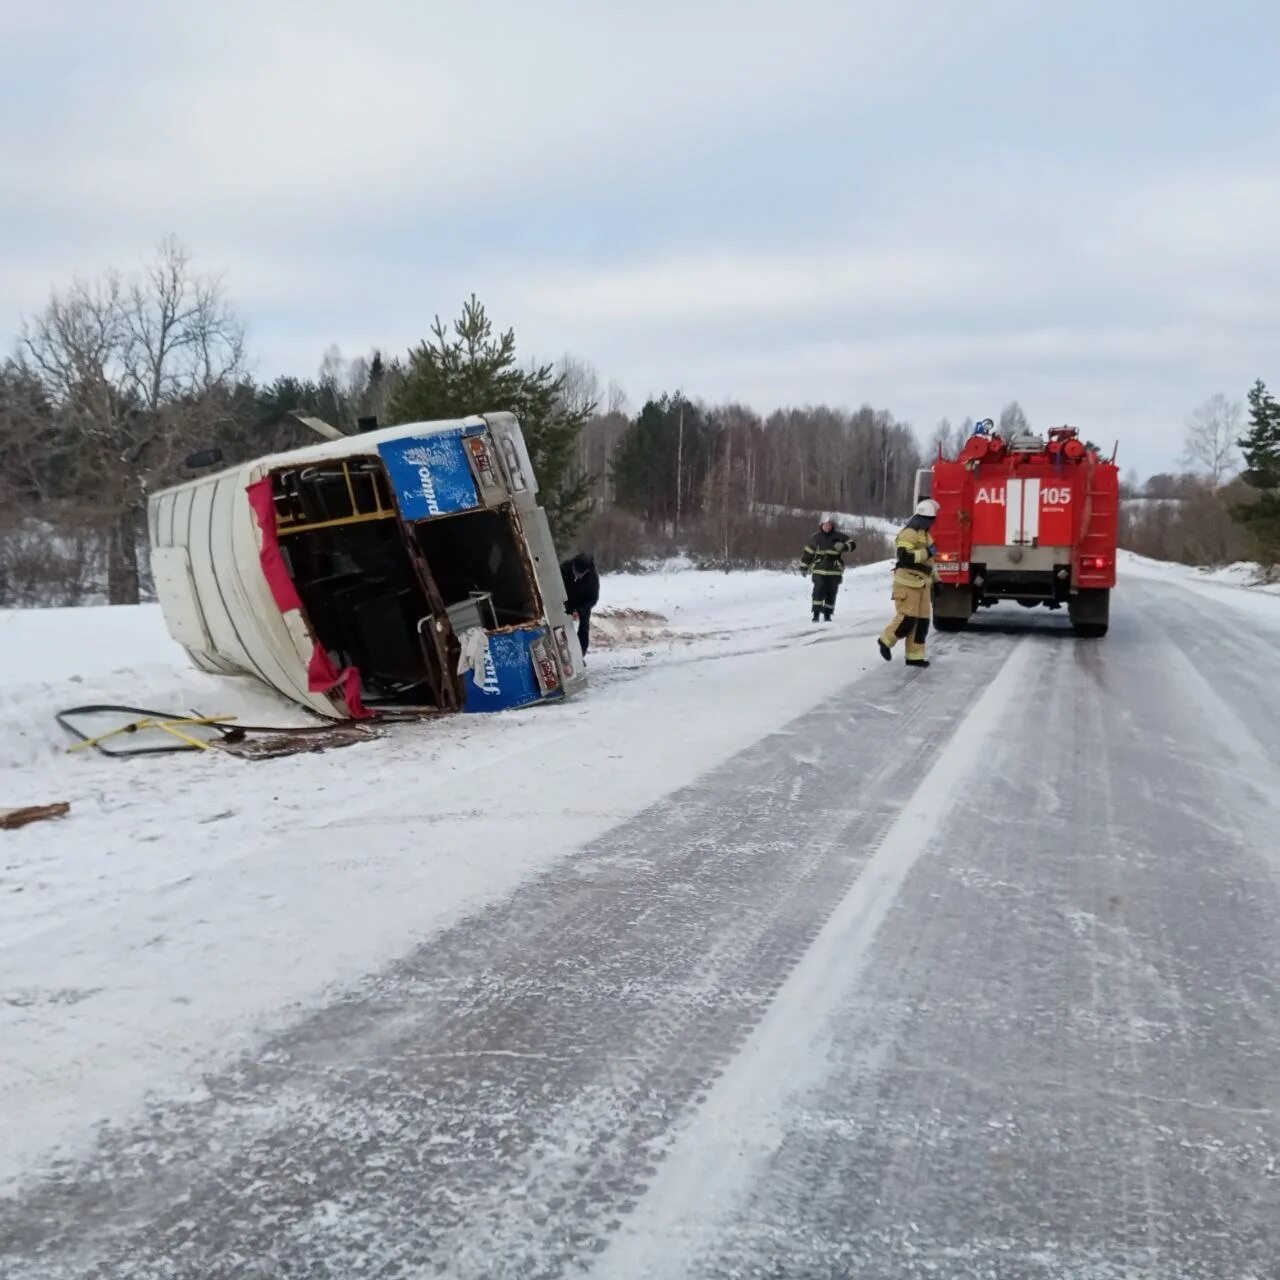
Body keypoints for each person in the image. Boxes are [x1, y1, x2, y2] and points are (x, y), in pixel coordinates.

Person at [879, 499, 939, 667]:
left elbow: (929, 564)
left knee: (922, 623)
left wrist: (937, 581)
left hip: (923, 584)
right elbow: (904, 556)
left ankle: (915, 657)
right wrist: (926, 552)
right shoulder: (909, 533)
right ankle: (885, 640)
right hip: (907, 582)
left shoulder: (926, 536)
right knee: (907, 619)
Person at [799, 517, 857, 622]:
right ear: (821, 525)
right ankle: (816, 614)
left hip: (834, 569)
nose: (827, 526)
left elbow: (852, 545)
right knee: (818, 589)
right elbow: (808, 553)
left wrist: (844, 547)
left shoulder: (839, 536)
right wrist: (804, 566)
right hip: (819, 569)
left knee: (831, 592)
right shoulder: (815, 538)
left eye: (829, 524)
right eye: (825, 524)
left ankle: (827, 614)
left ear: (832, 525)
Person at [560, 551, 599, 659]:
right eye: (576, 572)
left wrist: (581, 610)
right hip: (566, 601)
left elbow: (593, 598)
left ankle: (580, 655)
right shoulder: (563, 569)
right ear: (573, 566)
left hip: (583, 603)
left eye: (581, 573)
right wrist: (566, 609)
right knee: (561, 628)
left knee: (584, 629)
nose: (578, 575)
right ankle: (562, 654)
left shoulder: (592, 576)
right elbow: (556, 590)